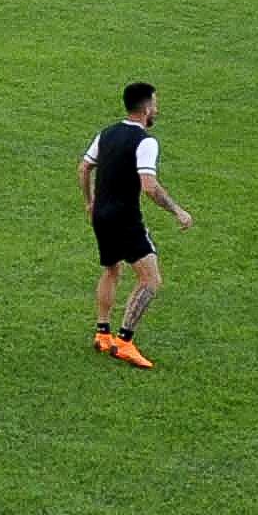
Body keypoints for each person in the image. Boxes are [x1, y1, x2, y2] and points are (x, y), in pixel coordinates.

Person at [81, 79, 195, 370]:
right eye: (155, 104)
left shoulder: (107, 133)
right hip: (125, 218)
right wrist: (178, 211)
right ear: (146, 109)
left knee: (111, 269)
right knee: (150, 280)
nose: (157, 109)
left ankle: (102, 333)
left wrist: (90, 202)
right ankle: (124, 342)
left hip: (101, 214)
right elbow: (149, 186)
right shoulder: (145, 141)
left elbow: (84, 167)